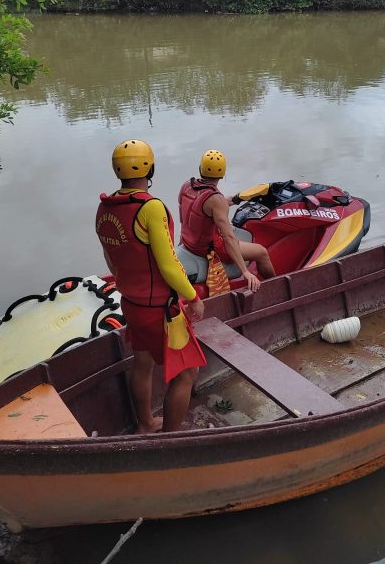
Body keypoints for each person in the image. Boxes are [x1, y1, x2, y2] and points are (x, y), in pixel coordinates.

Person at [96, 139, 205, 434]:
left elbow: (111, 258)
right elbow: (169, 264)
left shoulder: (105, 207)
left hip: (131, 303)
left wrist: (129, 283)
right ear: (151, 168)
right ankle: (170, 438)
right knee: (186, 372)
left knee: (142, 363)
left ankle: (145, 424)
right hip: (160, 308)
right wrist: (193, 296)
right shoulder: (151, 208)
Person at [178, 149, 276, 293]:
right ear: (223, 174)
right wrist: (245, 272)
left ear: (200, 169)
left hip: (189, 243)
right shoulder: (216, 200)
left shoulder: (187, 186)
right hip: (209, 249)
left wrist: (236, 199)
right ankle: (276, 285)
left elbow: (199, 210)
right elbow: (228, 238)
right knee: (261, 252)